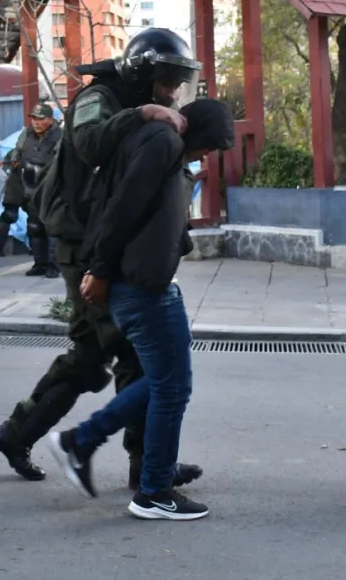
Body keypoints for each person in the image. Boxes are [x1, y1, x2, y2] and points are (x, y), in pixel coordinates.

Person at [0, 28, 203, 488]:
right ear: (143, 76)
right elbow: (87, 144)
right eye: (165, 81)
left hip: (102, 238)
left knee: (93, 355)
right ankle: (146, 467)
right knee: (136, 354)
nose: (171, 92)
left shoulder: (151, 109)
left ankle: (19, 433)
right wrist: (141, 114)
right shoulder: (100, 97)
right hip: (80, 240)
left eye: (177, 83)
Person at [48, 97, 234, 521]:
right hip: (140, 286)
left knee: (167, 382)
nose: (209, 155)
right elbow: (123, 209)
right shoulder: (162, 143)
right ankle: (151, 490)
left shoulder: (162, 147)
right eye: (211, 145)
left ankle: (87, 444)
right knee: (171, 387)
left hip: (146, 281)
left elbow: (151, 214)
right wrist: (101, 267)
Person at [0, 103, 62, 278]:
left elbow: (62, 161)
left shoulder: (60, 136)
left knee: (51, 229)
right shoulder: (26, 134)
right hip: (27, 184)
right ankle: (39, 264)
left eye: (40, 119)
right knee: (34, 226)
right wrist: (12, 162)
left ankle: (54, 266)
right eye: (34, 119)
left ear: (50, 120)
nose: (36, 123)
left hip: (50, 187)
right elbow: (17, 151)